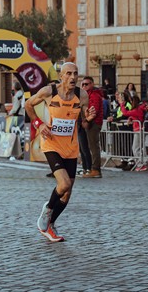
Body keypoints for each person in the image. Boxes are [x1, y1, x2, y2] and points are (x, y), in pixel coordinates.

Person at [26, 62, 96, 242]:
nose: (73, 77)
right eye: (69, 74)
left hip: (71, 148)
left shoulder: (82, 95)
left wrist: (88, 117)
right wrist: (38, 124)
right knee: (63, 183)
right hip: (51, 144)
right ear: (61, 76)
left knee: (67, 192)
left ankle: (50, 225)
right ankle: (47, 211)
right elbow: (28, 105)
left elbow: (84, 122)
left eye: (76, 74)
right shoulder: (49, 91)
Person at [79, 76, 104, 178]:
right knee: (86, 147)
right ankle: (89, 168)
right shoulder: (86, 95)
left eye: (87, 84)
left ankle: (96, 169)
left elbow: (94, 111)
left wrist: (86, 120)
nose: (84, 86)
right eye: (83, 84)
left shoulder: (94, 95)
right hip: (88, 122)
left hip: (93, 123)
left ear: (92, 84)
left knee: (94, 147)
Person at [120, 95, 148, 170]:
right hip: (139, 129)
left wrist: (122, 104)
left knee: (135, 148)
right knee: (140, 147)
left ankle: (140, 164)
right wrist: (131, 118)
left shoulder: (137, 109)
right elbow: (133, 116)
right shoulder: (139, 109)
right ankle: (142, 164)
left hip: (138, 130)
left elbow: (126, 113)